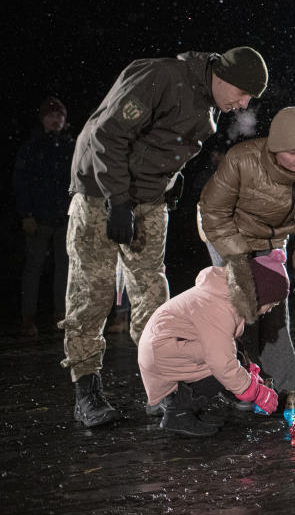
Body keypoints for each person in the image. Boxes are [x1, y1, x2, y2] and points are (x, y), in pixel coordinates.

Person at [61, 46, 269, 428]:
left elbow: (160, 148)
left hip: (149, 200)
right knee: (93, 290)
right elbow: (108, 135)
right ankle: (86, 390)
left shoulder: (206, 111)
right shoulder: (160, 77)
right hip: (100, 193)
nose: (242, 105)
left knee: (152, 294)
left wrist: (171, 181)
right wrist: (118, 201)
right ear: (222, 77)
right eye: (241, 95)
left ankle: (162, 387)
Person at [198, 106, 295, 399]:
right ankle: (239, 386)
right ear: (276, 148)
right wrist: (238, 261)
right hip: (226, 229)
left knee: (274, 307)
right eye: (294, 152)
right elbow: (214, 211)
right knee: (241, 307)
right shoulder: (242, 160)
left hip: (272, 235)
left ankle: (285, 388)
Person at [137, 249, 286, 436]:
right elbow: (222, 364)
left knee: (229, 358)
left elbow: (229, 344)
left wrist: (247, 369)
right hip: (160, 352)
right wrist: (255, 392)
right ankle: (178, 413)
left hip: (169, 346)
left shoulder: (226, 294)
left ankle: (183, 405)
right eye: (271, 305)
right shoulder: (218, 306)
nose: (269, 311)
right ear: (259, 296)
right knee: (221, 368)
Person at [13, 96, 74, 337]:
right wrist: (26, 214)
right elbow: (21, 183)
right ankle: (28, 318)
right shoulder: (32, 146)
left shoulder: (71, 145)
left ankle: (61, 314)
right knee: (33, 268)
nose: (55, 119)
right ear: (43, 119)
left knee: (65, 268)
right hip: (38, 218)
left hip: (65, 217)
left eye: (59, 115)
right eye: (51, 115)